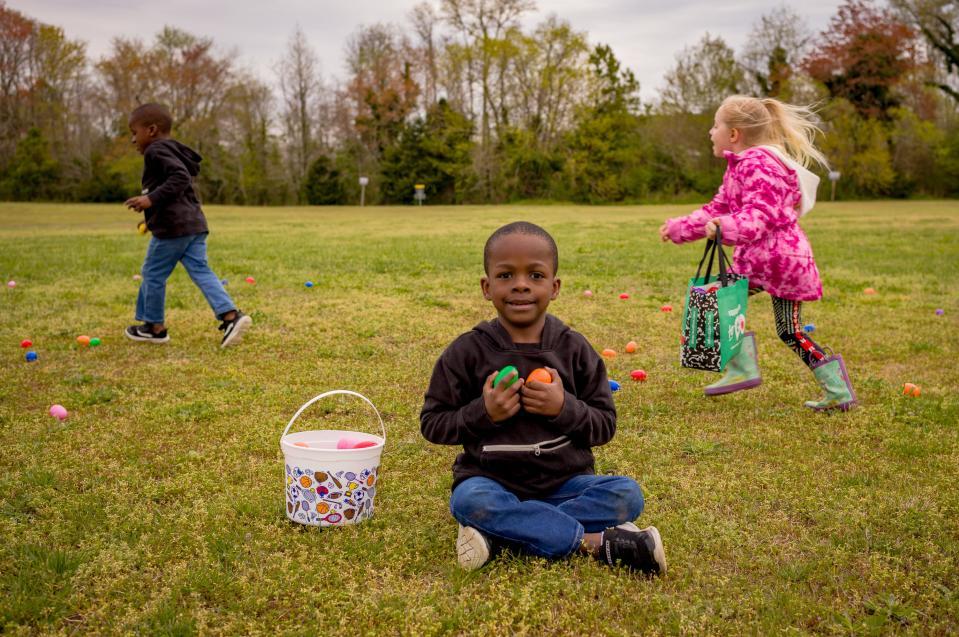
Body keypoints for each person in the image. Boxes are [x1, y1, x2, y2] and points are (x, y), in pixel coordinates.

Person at [420, 221, 666, 575]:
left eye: (535, 275)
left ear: (555, 287)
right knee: (470, 500)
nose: (521, 284)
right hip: (490, 481)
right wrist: (484, 412)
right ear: (487, 287)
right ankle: (595, 542)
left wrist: (563, 408)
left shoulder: (575, 349)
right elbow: (432, 423)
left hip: (566, 485)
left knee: (627, 494)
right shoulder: (466, 352)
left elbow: (604, 426)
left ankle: (500, 536)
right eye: (506, 276)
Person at [659, 95, 855, 411]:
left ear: (734, 134)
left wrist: (726, 226)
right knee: (787, 330)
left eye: (715, 125)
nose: (710, 132)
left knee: (718, 299)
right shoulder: (740, 167)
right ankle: (836, 389)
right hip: (775, 259)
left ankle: (743, 368)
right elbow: (717, 208)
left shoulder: (758, 163)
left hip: (776, 259)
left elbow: (760, 214)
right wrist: (680, 227)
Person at [123, 103, 251, 347]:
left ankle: (154, 327)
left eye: (134, 132)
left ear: (151, 130)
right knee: (201, 271)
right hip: (193, 224)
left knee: (152, 273)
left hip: (174, 229)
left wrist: (149, 199)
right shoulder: (173, 150)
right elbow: (178, 192)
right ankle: (231, 317)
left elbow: (179, 178)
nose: (132, 140)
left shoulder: (156, 151)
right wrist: (151, 217)